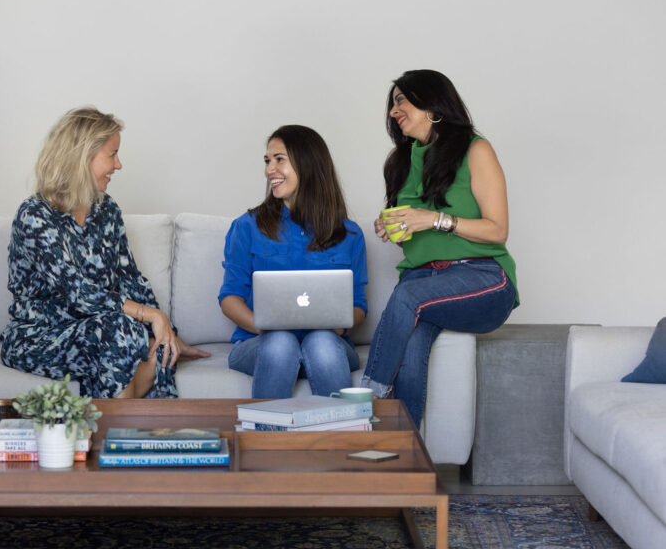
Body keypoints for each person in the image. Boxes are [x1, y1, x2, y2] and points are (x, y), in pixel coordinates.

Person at [0, 107, 208, 398]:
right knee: (117, 330)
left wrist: (169, 332)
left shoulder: (106, 209)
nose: (119, 164)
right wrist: (151, 315)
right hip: (40, 334)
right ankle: (126, 430)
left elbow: (130, 279)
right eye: (112, 154)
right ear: (82, 156)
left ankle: (121, 429)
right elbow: (76, 290)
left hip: (101, 328)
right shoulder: (34, 215)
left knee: (145, 340)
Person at [360, 69, 519, 428]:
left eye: (401, 100)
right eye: (392, 103)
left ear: (432, 105)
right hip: (423, 279)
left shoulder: (475, 150)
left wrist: (432, 219)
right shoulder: (399, 161)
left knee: (405, 298)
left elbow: (498, 229)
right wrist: (393, 226)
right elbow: (413, 230)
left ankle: (366, 403)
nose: (393, 111)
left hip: (483, 277)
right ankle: (405, 462)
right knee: (411, 348)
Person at [219, 125, 367, 398]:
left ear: (307, 163)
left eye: (279, 159)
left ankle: (342, 438)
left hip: (327, 344)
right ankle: (265, 439)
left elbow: (358, 305)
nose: (269, 170)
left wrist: (340, 325)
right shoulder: (247, 227)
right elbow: (230, 298)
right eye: (267, 161)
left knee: (321, 342)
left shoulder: (350, 234)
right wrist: (262, 325)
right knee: (281, 342)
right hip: (260, 343)